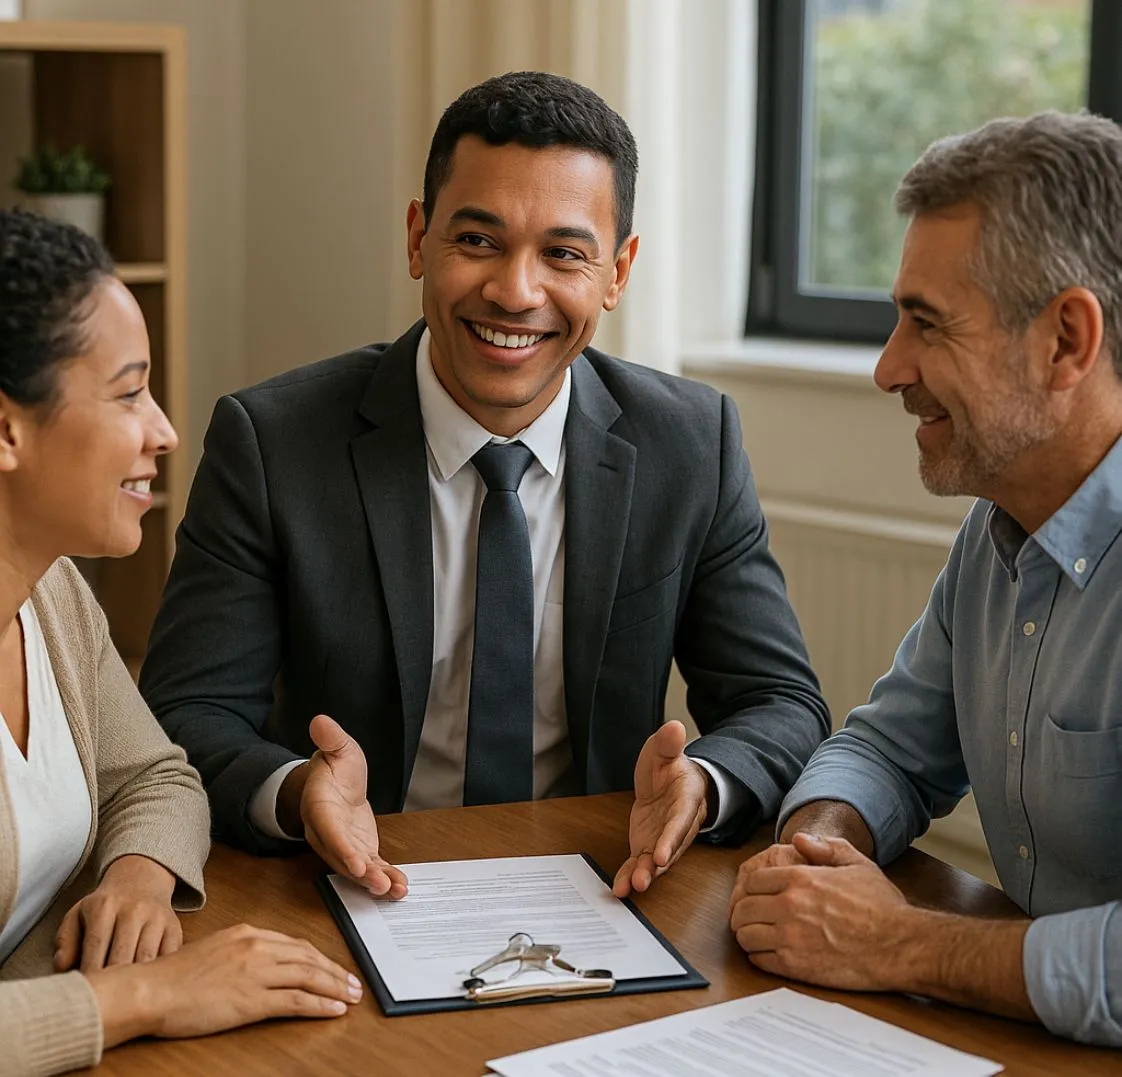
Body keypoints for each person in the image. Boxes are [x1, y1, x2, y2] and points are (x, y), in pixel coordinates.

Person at [140, 71, 830, 898]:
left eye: (565, 254)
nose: (515, 290)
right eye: (478, 241)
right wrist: (294, 790)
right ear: (416, 240)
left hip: (603, 882)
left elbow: (780, 700)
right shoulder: (273, 441)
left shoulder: (692, 441)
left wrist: (704, 783)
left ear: (618, 272)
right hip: (356, 879)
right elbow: (187, 710)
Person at [728, 111, 1122, 1047]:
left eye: (926, 324)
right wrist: (818, 847)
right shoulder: (998, 531)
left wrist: (899, 943)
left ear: (1066, 339)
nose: (886, 368)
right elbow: (890, 750)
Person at [0, 210, 365, 1077]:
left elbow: (158, 773)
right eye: (129, 393)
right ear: (7, 430)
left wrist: (137, 872)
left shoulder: (51, 593)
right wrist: (153, 995)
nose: (164, 431)